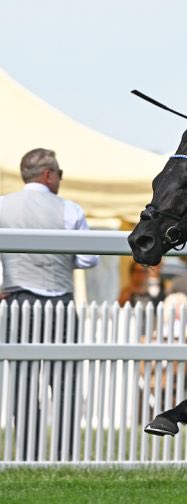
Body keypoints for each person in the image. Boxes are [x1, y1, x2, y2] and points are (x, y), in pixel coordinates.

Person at [0, 148, 99, 460]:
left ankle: (28, 453)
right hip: (61, 302)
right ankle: (64, 453)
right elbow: (89, 259)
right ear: (48, 175)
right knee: (65, 379)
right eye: (59, 174)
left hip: (19, 300)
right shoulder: (69, 209)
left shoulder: (2, 206)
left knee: (23, 379)